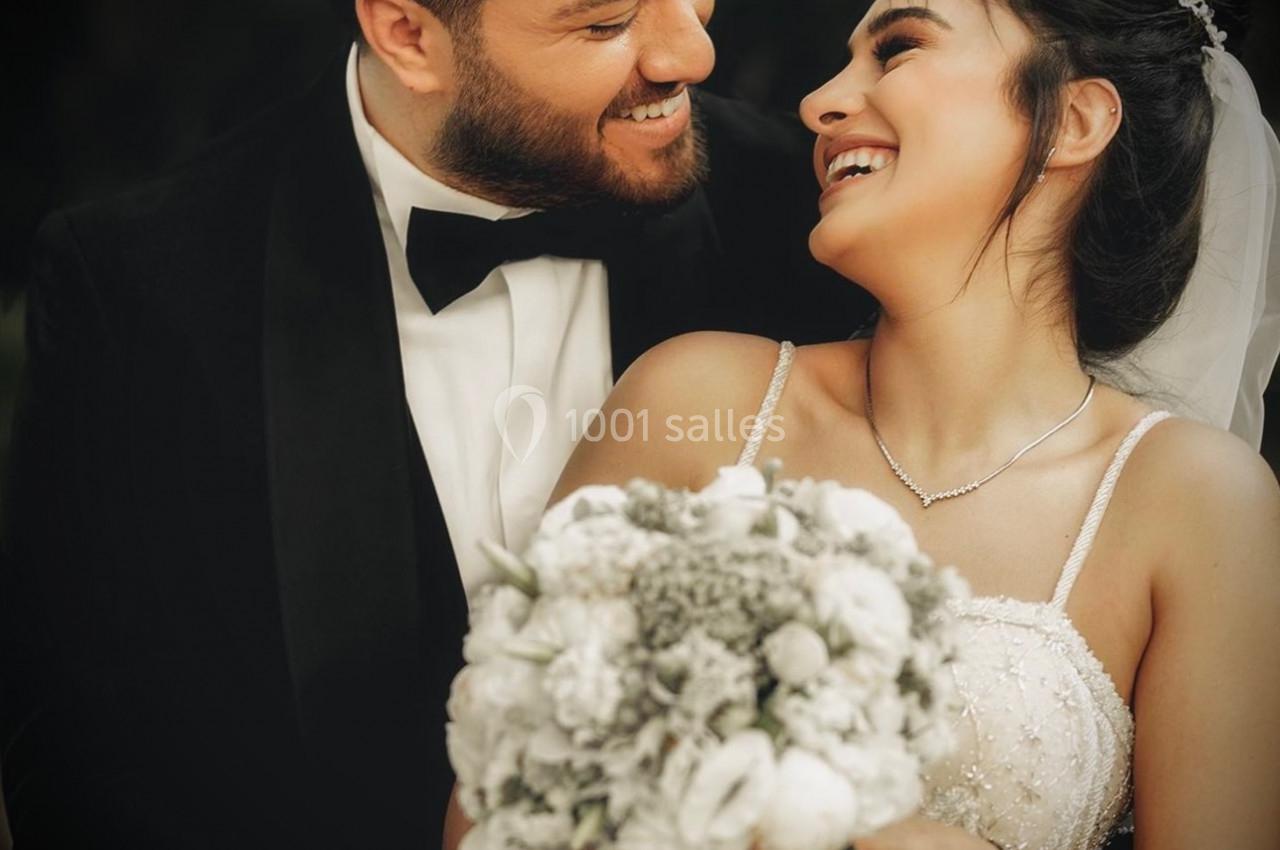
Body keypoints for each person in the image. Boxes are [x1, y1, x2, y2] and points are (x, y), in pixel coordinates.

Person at [0, 0, 875, 847]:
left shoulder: (824, 217)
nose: (688, 53)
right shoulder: (144, 285)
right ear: (408, 33)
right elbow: (88, 763)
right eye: (605, 22)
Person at [547, 0, 1280, 847]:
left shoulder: (1194, 500)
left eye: (896, 50)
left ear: (1073, 120)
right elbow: (497, 800)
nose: (819, 103)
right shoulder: (692, 402)